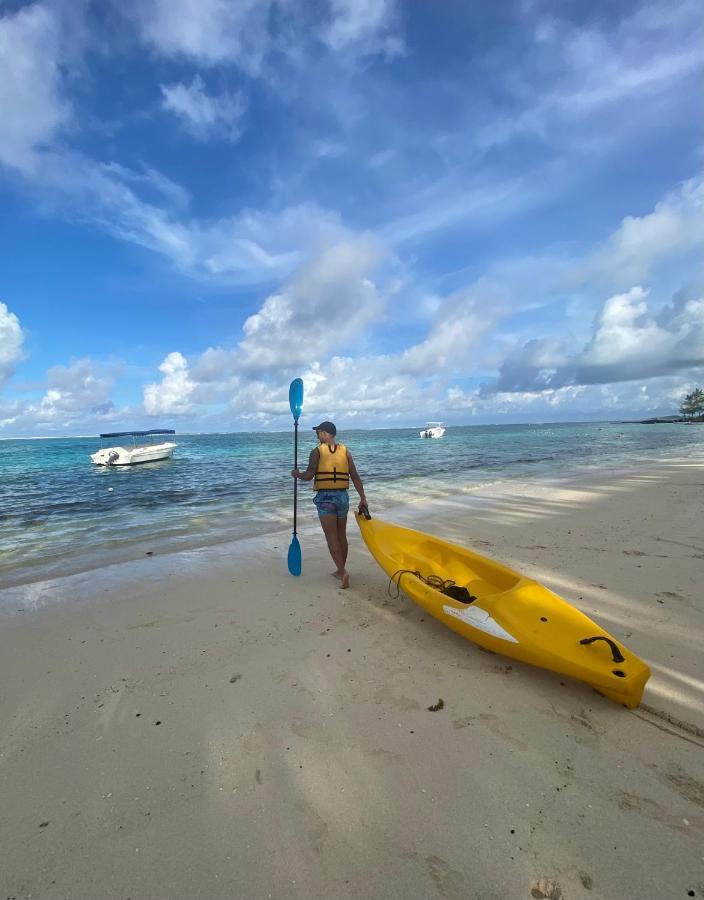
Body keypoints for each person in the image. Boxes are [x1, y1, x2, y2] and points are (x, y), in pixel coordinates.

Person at [291, 421, 367, 589]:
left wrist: (296, 474)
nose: (317, 436)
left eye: (318, 433)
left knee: (331, 537)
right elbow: (354, 476)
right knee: (341, 536)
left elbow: (309, 476)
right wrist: (363, 497)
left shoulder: (316, 452)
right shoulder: (346, 451)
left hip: (326, 498)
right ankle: (341, 570)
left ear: (325, 433)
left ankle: (342, 572)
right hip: (342, 497)